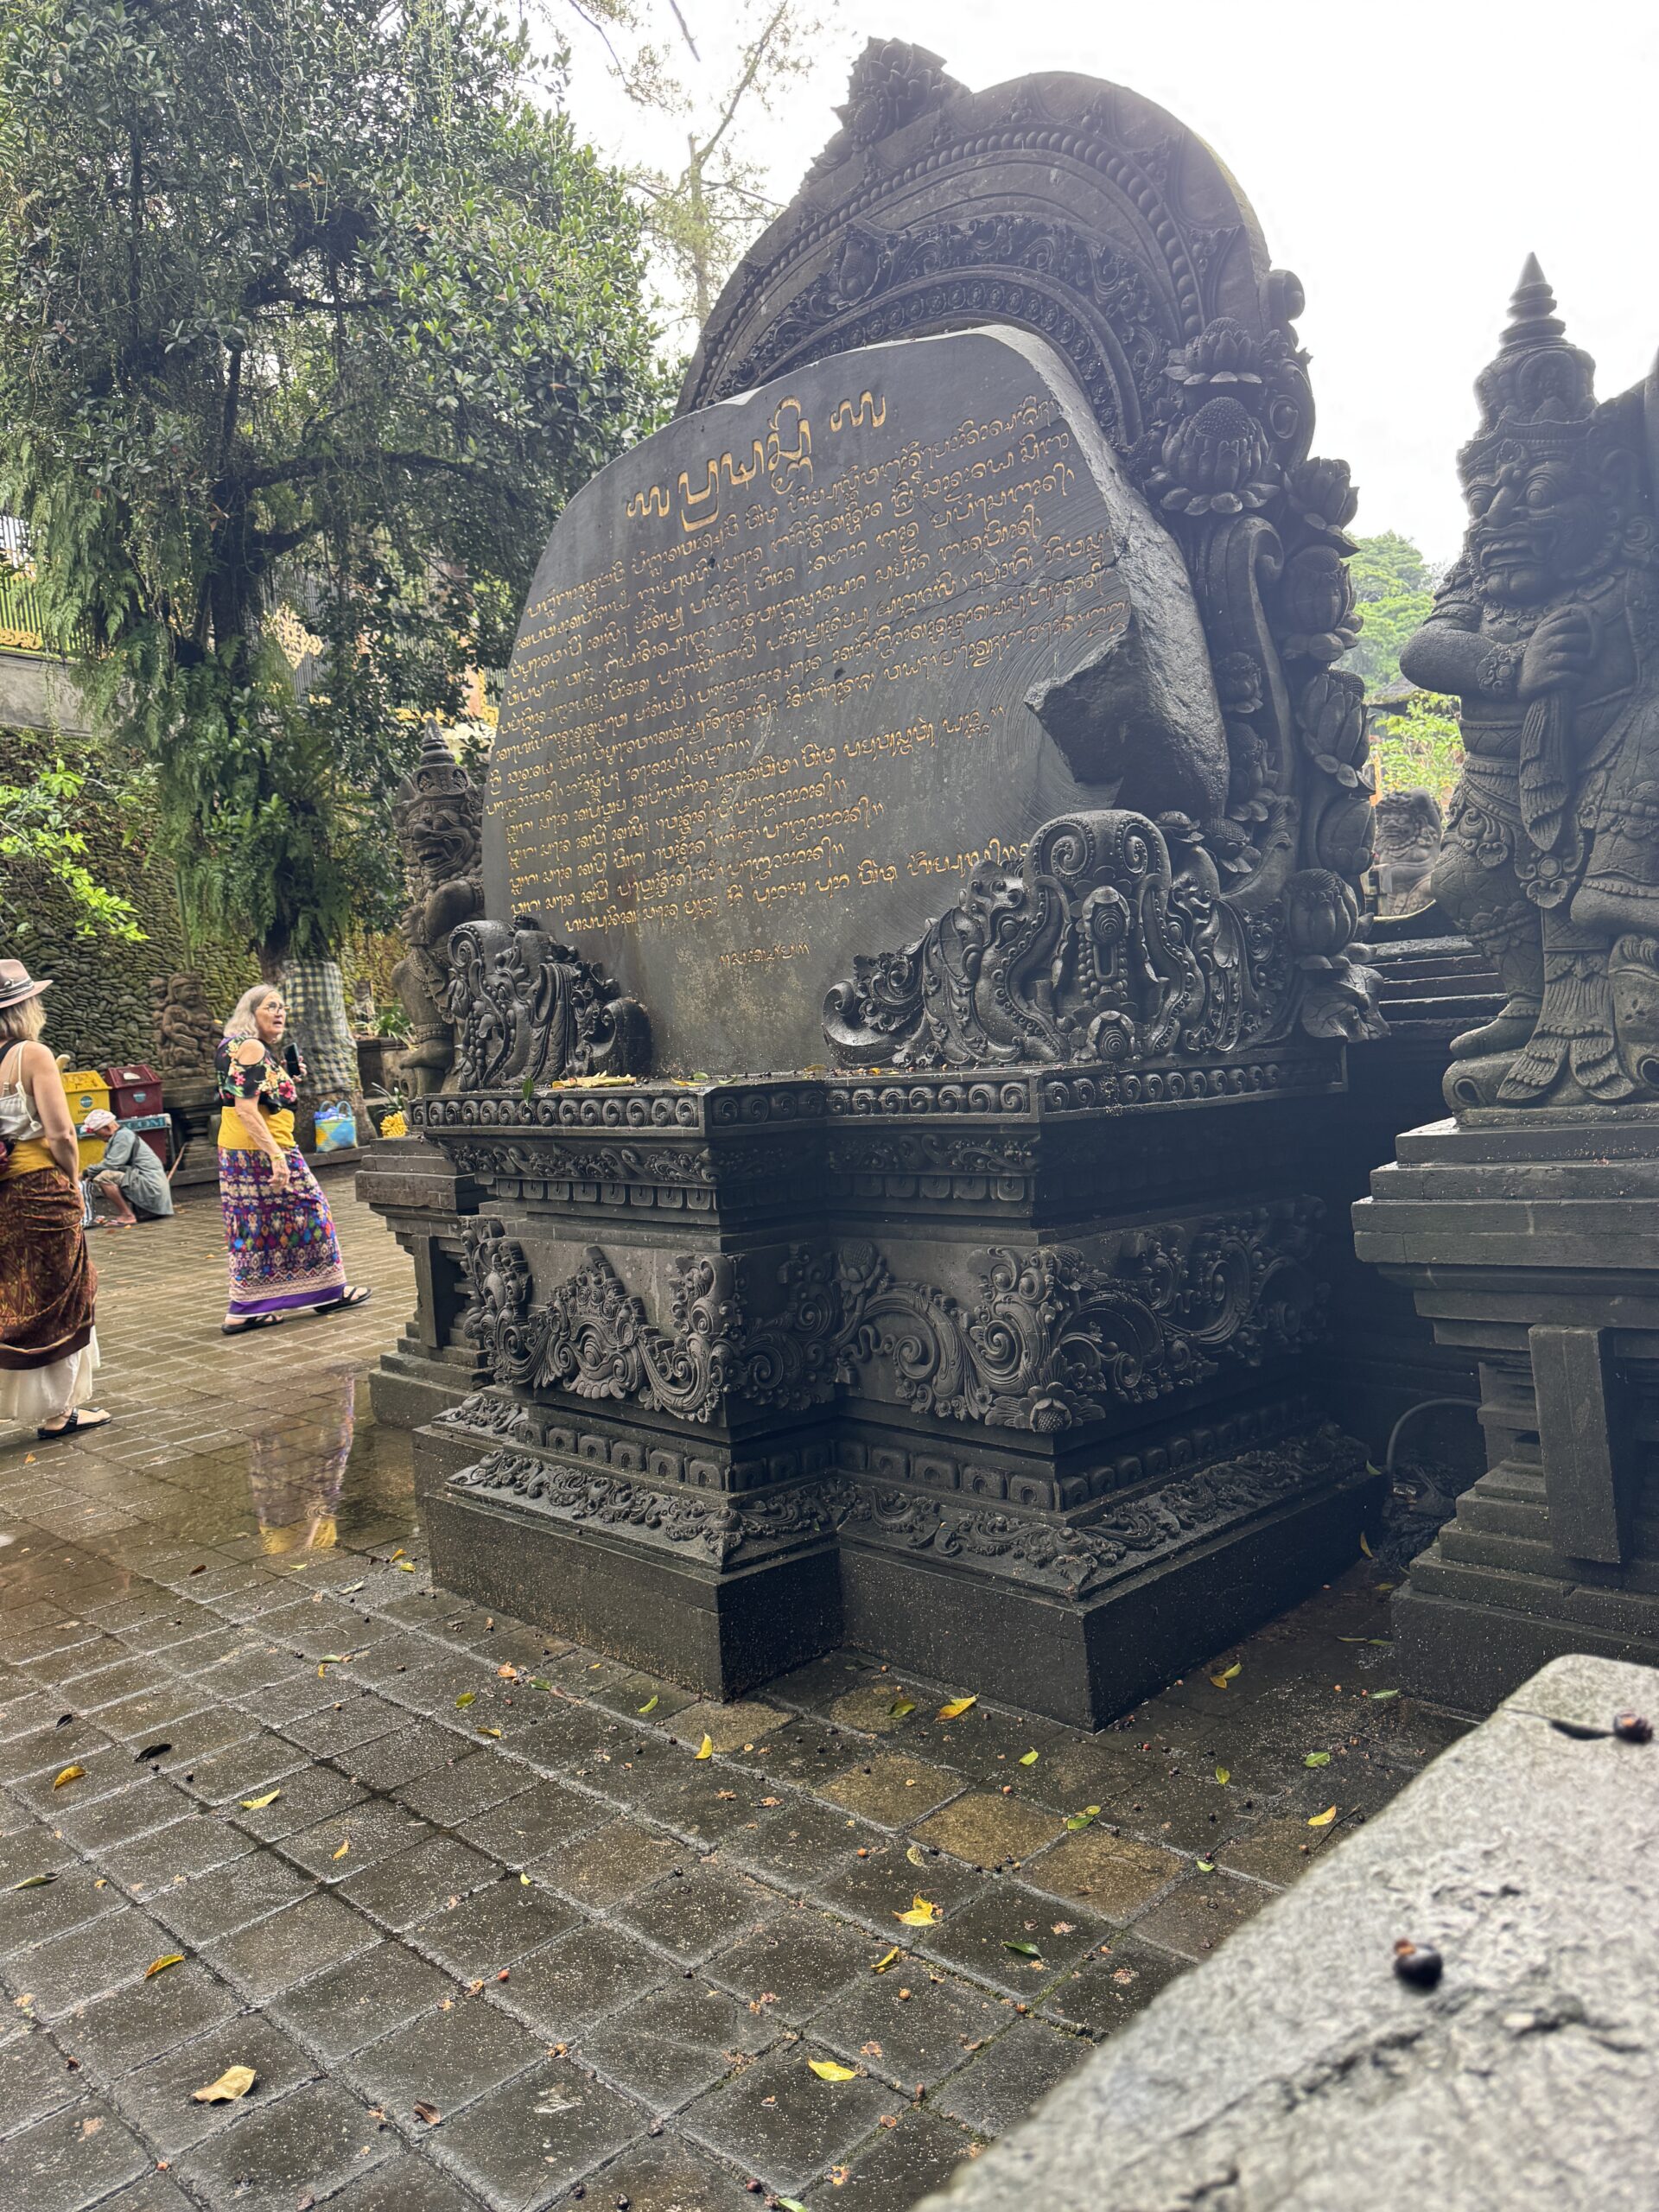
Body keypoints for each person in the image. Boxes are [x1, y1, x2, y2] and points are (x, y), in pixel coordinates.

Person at [216, 982, 372, 1336]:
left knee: (254, 1227)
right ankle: (328, 1291)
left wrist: (287, 1076)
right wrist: (276, 1156)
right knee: (312, 1210)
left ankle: (245, 1308)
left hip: (239, 1151)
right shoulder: (252, 1046)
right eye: (270, 1006)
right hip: (263, 1148)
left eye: (282, 1007)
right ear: (250, 1013)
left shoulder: (233, 1046)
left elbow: (250, 1095)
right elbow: (244, 1108)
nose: (279, 1012)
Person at [0, 958, 109, 1438]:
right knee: (62, 1292)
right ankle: (58, 1411)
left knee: (14, 1293)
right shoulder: (32, 1055)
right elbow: (61, 1132)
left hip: (2, 1191)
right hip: (41, 1187)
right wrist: (74, 1179)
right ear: (26, 1006)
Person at [81, 1108, 175, 1226]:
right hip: (148, 1184)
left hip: (151, 1187)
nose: (97, 1137)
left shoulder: (123, 1137)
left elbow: (112, 1164)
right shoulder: (120, 1136)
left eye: (97, 1133)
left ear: (107, 1128)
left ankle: (127, 1215)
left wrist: (86, 1172)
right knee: (101, 1175)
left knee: (103, 1177)